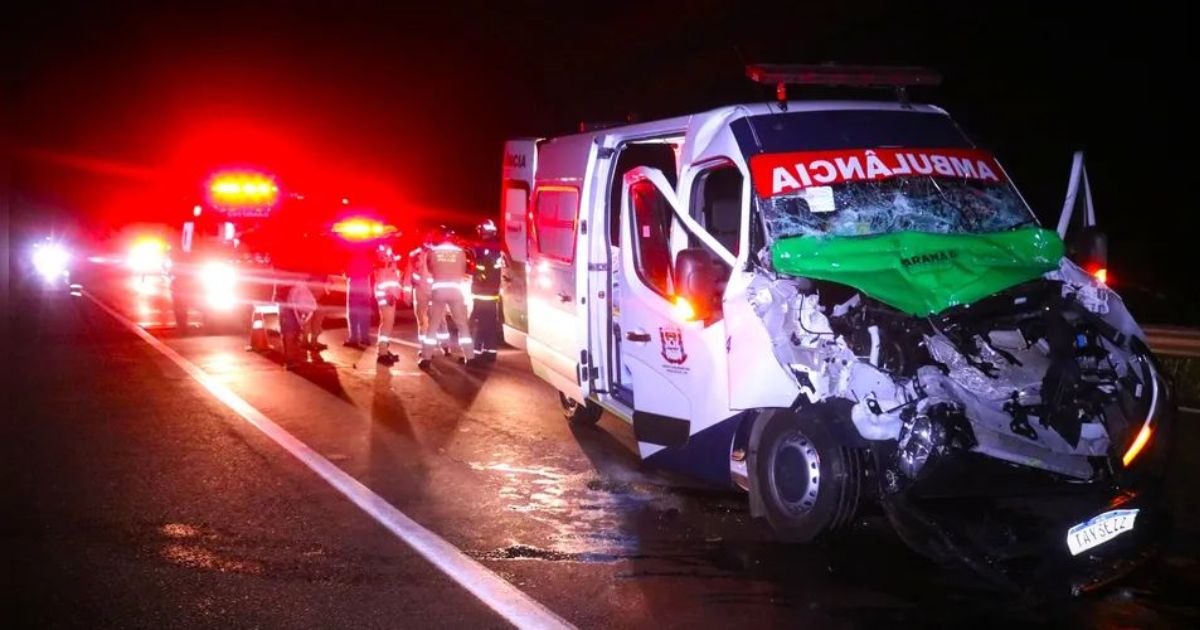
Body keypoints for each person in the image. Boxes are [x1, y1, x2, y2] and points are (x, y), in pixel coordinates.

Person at [420, 226, 474, 366]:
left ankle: (426, 357)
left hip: (439, 291)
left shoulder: (433, 252)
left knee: (433, 324)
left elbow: (431, 270)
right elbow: (463, 271)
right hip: (455, 291)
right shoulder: (460, 252)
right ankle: (470, 356)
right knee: (462, 324)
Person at [468, 219, 504, 363]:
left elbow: (482, 269)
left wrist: (477, 274)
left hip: (483, 292)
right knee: (489, 323)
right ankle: (490, 352)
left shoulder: (485, 248)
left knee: (479, 324)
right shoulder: (497, 247)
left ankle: (475, 354)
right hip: (492, 292)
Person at [373, 245, 402, 366]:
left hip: (388, 296)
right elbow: (382, 280)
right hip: (387, 296)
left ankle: (384, 349)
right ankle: (382, 353)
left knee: (386, 323)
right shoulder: (384, 260)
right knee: (387, 324)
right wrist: (388, 294)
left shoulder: (387, 259)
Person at [344, 245, 373, 349]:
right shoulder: (367, 259)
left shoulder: (351, 259)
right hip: (364, 286)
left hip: (354, 286)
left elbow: (347, 273)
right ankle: (365, 338)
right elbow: (370, 272)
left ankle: (353, 338)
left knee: (353, 315)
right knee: (364, 315)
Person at [303, 273, 330, 351]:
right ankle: (312, 341)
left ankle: (306, 341)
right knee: (314, 321)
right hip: (316, 292)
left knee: (309, 320)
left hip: (311, 292)